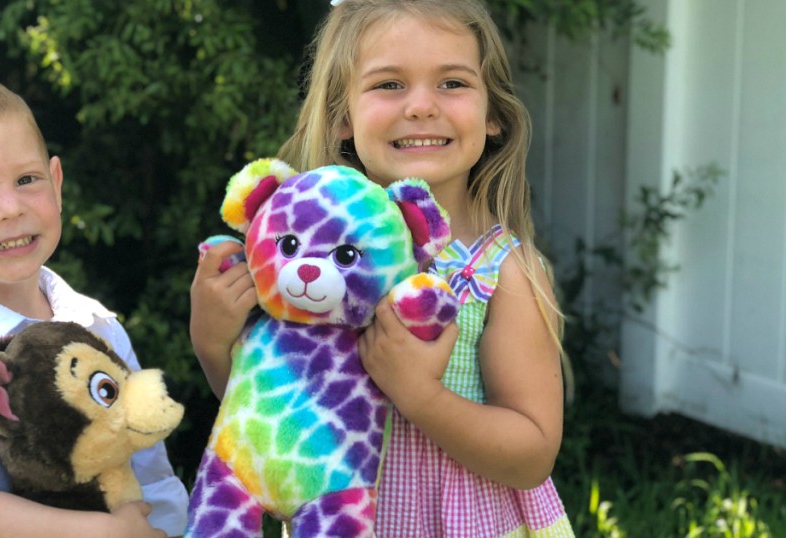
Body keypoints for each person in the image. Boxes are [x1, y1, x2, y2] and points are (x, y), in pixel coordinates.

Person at [190, 0, 574, 535]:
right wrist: (212, 343)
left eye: (453, 83)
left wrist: (420, 396)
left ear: (494, 116)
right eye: (389, 84)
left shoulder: (504, 270)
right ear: (343, 116)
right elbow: (268, 412)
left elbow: (532, 454)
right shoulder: (298, 253)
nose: (420, 106)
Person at [0, 72, 188, 538]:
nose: (9, 208)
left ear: (57, 184)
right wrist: (101, 533)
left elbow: (152, 476)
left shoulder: (95, 325)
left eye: (26, 179)